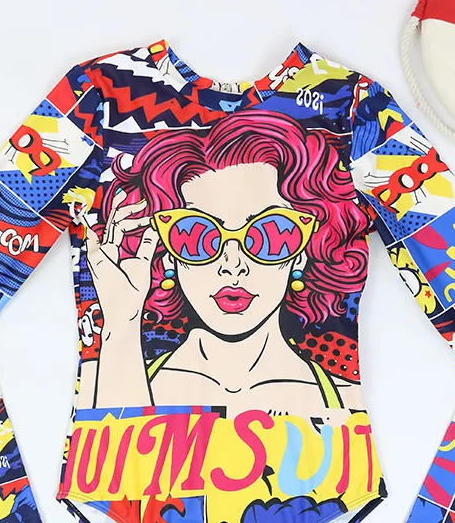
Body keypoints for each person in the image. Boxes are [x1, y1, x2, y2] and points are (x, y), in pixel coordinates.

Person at [79, 109, 370, 418]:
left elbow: (412, 227)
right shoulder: (104, 377)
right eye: (195, 235)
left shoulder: (345, 400)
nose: (233, 266)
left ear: (303, 251)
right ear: (166, 253)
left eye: (271, 234)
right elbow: (110, 449)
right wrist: (122, 323)